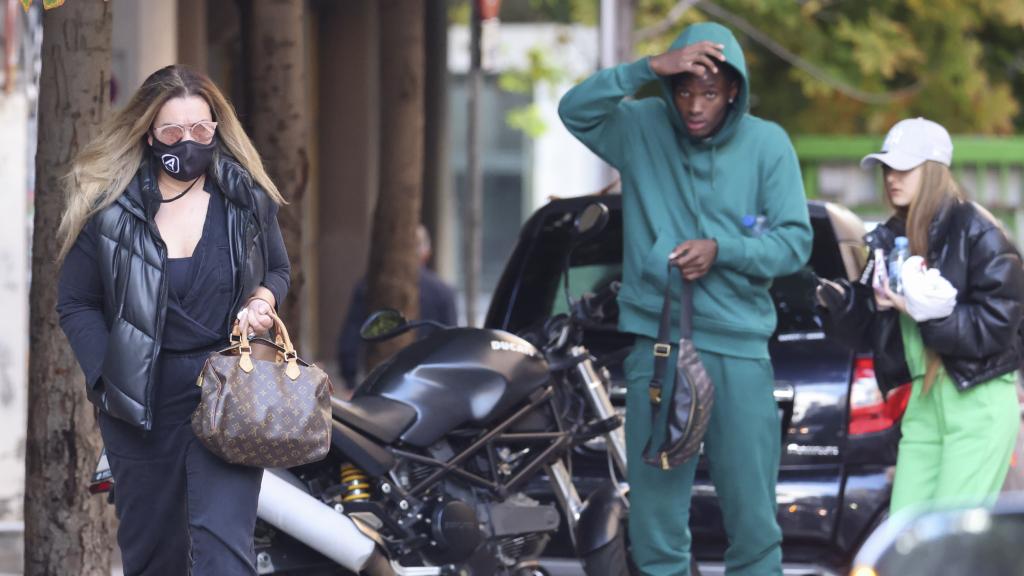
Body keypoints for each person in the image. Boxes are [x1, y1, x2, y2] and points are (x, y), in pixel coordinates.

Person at [559, 22, 812, 576]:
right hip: (660, 348)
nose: (695, 105)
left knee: (753, 524)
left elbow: (795, 242)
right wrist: (648, 68)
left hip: (741, 352)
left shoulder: (768, 144)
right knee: (656, 522)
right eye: (685, 91)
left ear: (734, 93)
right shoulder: (641, 126)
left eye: (711, 93)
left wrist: (723, 251)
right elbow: (574, 110)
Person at [56, 65, 290, 575]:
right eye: (172, 132)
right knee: (153, 555)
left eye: (201, 130)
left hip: (226, 391)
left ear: (217, 128)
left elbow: (277, 268)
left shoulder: (245, 200)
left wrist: (262, 300)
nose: (189, 142)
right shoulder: (112, 210)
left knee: (224, 555)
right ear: (148, 134)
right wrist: (105, 375)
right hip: (140, 399)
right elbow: (75, 302)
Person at [817, 117, 1023, 515]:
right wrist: (841, 301)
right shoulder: (890, 237)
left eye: (903, 167)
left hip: (977, 399)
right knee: (906, 532)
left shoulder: (979, 230)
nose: (891, 177)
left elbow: (1000, 324)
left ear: (932, 171)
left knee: (948, 541)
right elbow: (870, 324)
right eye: (886, 167)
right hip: (924, 401)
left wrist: (924, 314)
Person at [337, 225, 457, 387]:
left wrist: (349, 379)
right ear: (426, 253)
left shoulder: (368, 285)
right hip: (428, 381)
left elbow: (351, 335)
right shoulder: (443, 292)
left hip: (379, 379)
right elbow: (450, 341)